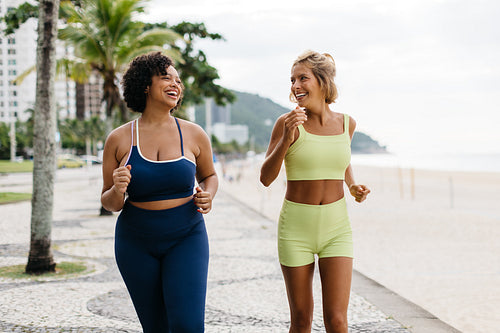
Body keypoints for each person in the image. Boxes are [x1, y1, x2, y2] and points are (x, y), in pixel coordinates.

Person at [100, 51, 218, 332]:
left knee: (188, 326)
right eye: (166, 78)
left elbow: (210, 175)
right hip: (135, 241)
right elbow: (109, 202)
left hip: (186, 236)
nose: (176, 84)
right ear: (144, 85)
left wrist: (209, 194)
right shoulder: (119, 138)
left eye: (178, 80)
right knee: (156, 327)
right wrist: (117, 189)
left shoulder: (193, 134)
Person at [260, 50, 370, 333]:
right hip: (296, 229)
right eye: (292, 80)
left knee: (337, 320)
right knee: (301, 320)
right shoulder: (286, 123)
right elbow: (265, 177)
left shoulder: (347, 123)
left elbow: (338, 159)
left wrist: (352, 185)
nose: (295, 86)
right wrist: (287, 137)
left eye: (302, 78)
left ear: (322, 81)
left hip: (337, 228)